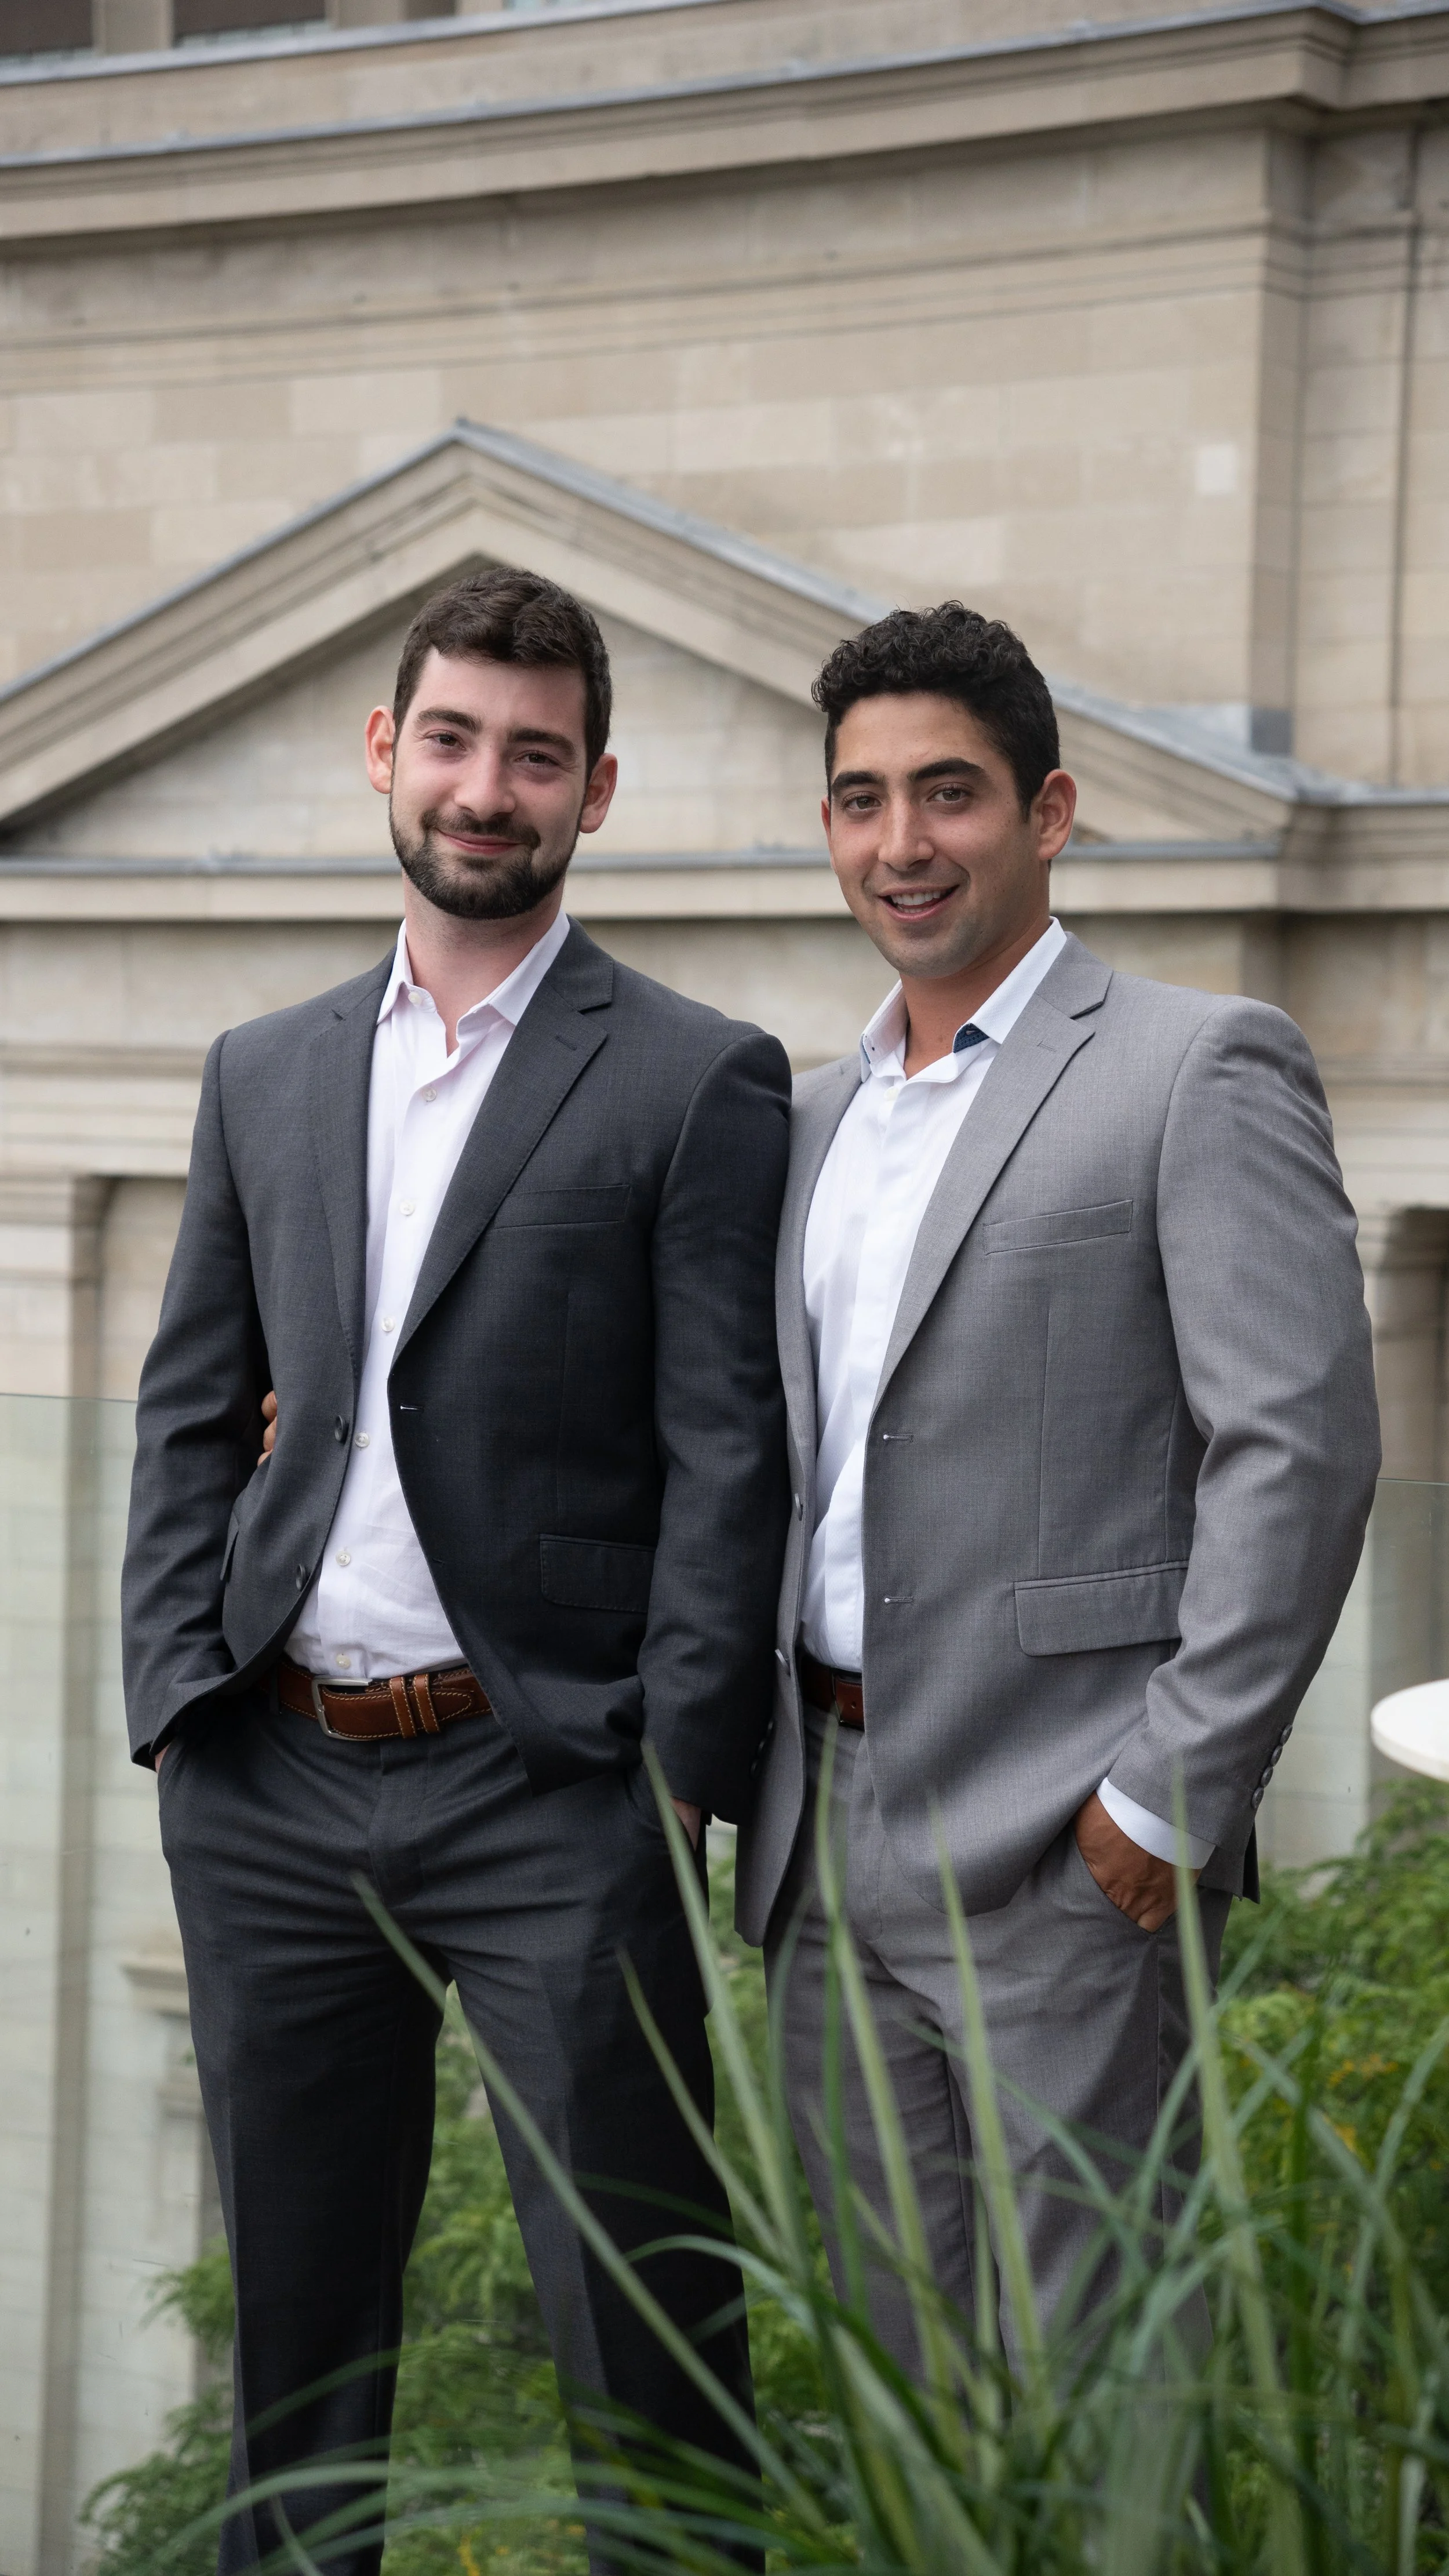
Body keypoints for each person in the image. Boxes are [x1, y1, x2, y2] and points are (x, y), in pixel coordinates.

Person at [122, 566, 791, 2574]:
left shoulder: (694, 1074)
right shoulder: (267, 1067)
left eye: (534, 753)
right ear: (382, 754)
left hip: (552, 1792)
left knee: (640, 2334)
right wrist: (174, 1699)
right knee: (298, 2357)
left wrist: (679, 1769)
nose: (484, 786)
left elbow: (723, 1448)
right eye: (451, 738)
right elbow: (189, 1405)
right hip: (271, 1773)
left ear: (597, 791)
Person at [734, 602, 1381, 2364]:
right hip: (817, 1825)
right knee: (899, 2406)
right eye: (860, 800)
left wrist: (1162, 1800)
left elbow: (1300, 1446)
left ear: (1048, 811)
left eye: (947, 793)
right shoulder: (801, 1116)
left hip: (1058, 1846)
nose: (901, 843)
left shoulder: (1192, 1065)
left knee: (1098, 2402)